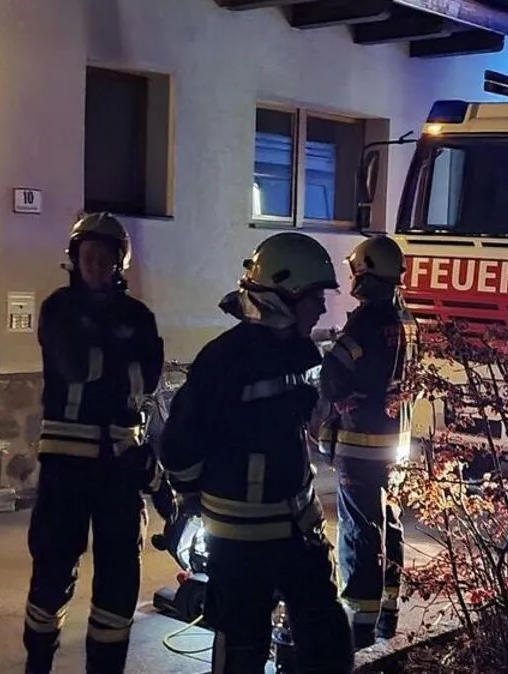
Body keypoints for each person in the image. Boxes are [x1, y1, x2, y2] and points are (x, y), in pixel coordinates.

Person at [160, 231, 354, 673]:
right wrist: (191, 499)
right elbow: (178, 445)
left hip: (296, 528)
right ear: (283, 296)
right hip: (241, 540)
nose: (323, 308)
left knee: (326, 638)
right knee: (243, 645)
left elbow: (304, 415)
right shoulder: (224, 359)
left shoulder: (302, 351)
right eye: (315, 297)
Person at [22, 213, 168, 674]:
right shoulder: (59, 308)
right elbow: (77, 365)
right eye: (89, 256)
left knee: (118, 585)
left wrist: (110, 356)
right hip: (67, 469)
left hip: (120, 470)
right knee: (51, 574)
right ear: (74, 257)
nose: (96, 265)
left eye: (105, 258)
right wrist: (115, 359)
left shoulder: (138, 317)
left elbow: (147, 379)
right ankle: (38, 663)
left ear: (118, 262)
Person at [314, 235, 417, 649]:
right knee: (389, 525)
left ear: (367, 273)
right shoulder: (408, 320)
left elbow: (332, 371)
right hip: (396, 445)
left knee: (359, 530)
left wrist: (336, 400)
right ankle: (385, 615)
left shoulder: (366, 321)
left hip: (360, 444)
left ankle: (357, 623)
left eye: (357, 270)